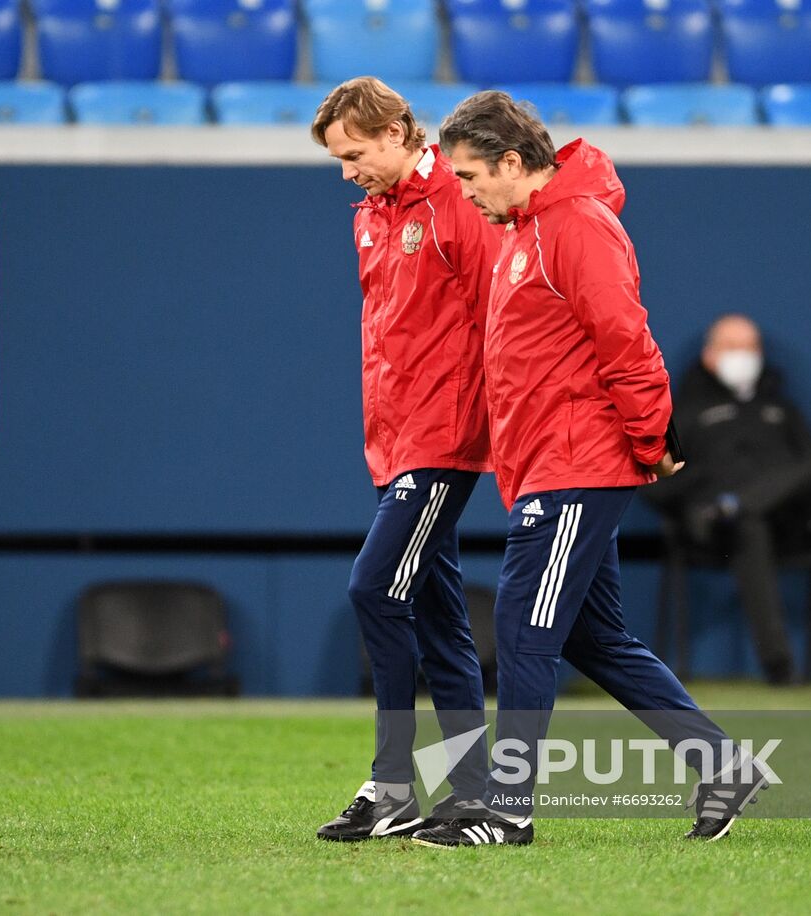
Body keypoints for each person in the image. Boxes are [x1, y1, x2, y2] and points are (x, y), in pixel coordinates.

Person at [412, 92, 765, 847]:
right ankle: (724, 766)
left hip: (578, 465)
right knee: (590, 637)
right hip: (549, 464)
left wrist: (646, 443)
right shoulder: (525, 229)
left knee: (522, 628)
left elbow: (627, 342)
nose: (464, 190)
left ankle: (507, 811)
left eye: (471, 175)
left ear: (513, 162)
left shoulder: (574, 227)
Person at [309, 77, 501, 841]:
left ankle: (391, 784)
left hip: (443, 438)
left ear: (395, 132)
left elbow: (500, 319)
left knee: (373, 589)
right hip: (394, 444)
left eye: (353, 154)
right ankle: (472, 788)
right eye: (336, 159)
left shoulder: (457, 201)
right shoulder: (371, 216)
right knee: (438, 617)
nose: (346, 171)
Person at [642, 313, 811, 685]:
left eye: (751, 347)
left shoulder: (781, 409)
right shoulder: (687, 410)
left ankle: (742, 502)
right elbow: (655, 483)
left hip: (786, 522)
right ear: (709, 355)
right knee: (745, 525)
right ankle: (780, 668)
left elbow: (808, 473)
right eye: (732, 347)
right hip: (712, 525)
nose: (744, 355)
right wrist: (705, 483)